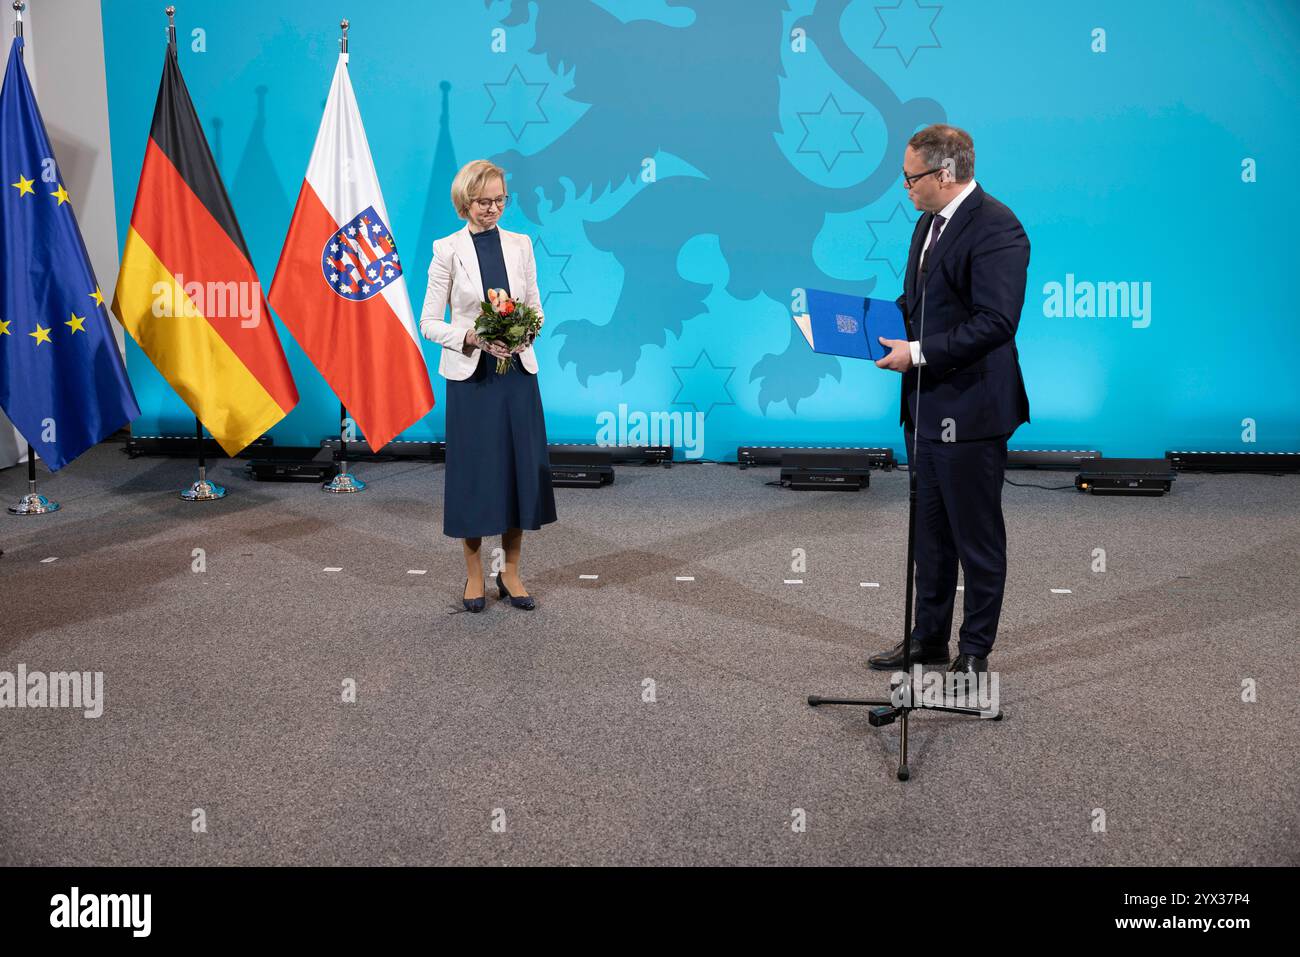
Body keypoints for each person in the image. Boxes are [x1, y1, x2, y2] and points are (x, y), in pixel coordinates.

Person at [869, 124, 1030, 679]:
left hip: (973, 410)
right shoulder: (926, 224)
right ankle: (928, 640)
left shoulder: (997, 227)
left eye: (911, 178)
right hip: (926, 408)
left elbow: (996, 322)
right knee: (929, 534)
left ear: (944, 174)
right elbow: (920, 303)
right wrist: (866, 326)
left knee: (975, 538)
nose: (905, 188)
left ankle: (975, 652)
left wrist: (916, 353)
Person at [419, 159, 557, 612]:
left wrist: (525, 334)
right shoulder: (447, 249)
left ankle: (511, 573)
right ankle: (475, 576)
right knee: (477, 475)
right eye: (484, 201)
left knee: (518, 471)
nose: (493, 208)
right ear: (465, 200)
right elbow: (428, 323)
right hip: (472, 378)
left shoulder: (521, 244)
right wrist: (473, 338)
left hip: (517, 375)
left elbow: (535, 308)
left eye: (500, 200)